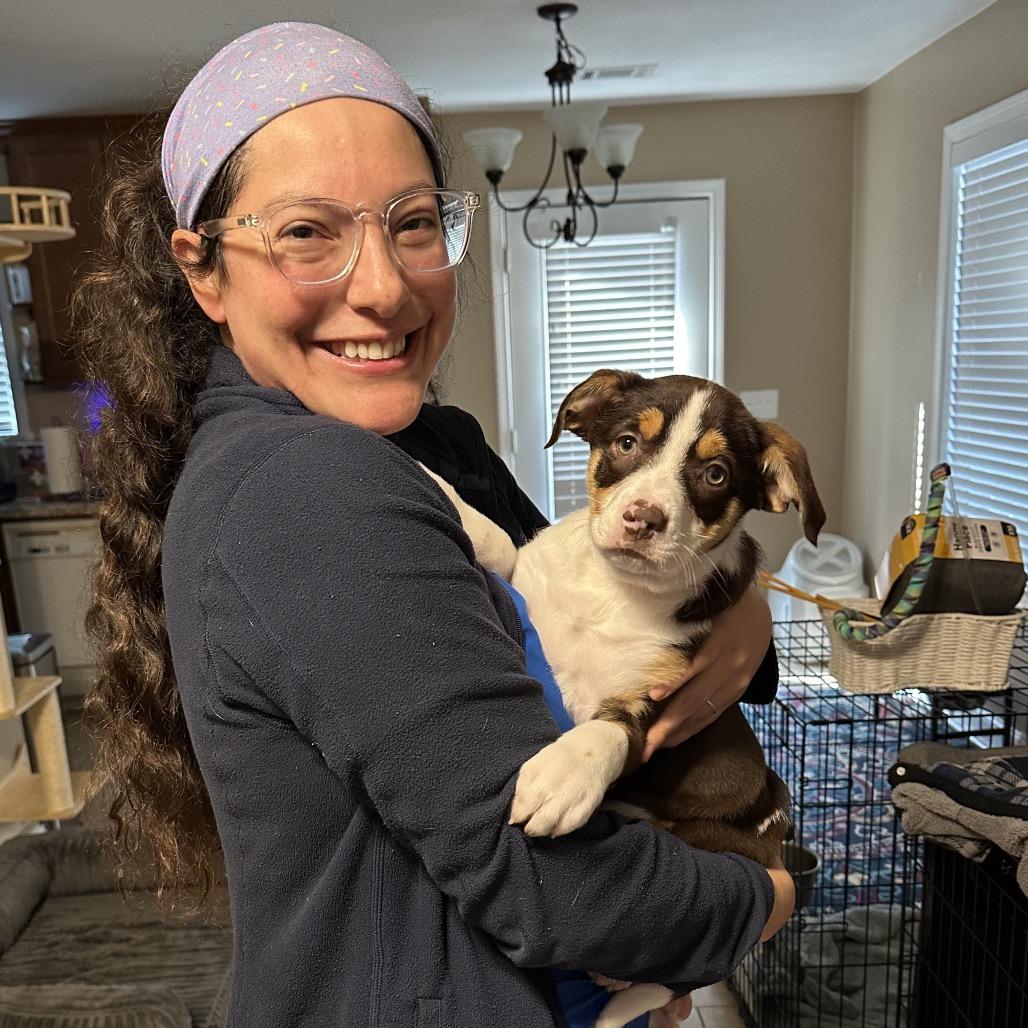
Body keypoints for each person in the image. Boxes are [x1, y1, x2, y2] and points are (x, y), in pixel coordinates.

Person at [75, 21, 794, 1028]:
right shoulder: (311, 489)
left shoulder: (439, 444)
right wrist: (769, 894)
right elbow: (560, 889)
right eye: (304, 231)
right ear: (203, 271)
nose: (381, 284)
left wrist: (744, 622)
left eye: (413, 223)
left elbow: (604, 600)